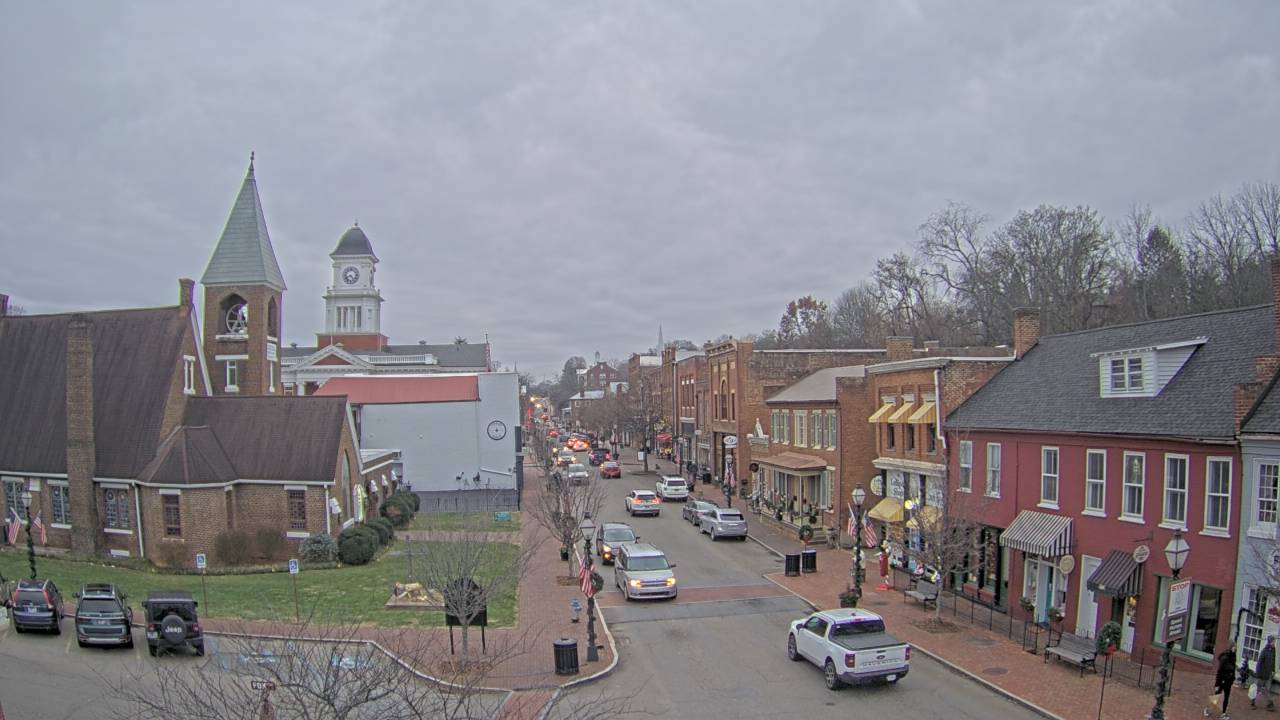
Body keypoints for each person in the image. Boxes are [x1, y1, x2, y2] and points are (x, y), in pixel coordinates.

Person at [1206, 642, 1236, 718]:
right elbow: (1219, 672)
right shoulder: (1224, 658)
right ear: (1230, 647)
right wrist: (1217, 684)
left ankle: (1223, 713)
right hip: (1222, 681)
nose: (1235, 648)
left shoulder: (1233, 656)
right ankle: (1208, 709)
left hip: (1228, 681)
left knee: (1226, 698)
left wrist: (1233, 678)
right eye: (1234, 647)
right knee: (1216, 696)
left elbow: (1233, 669)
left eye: (1235, 647)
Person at [1255, 636, 1276, 711]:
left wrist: (1273, 670)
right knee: (1257, 689)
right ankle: (1253, 702)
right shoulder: (1264, 651)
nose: (1274, 643)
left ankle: (1269, 704)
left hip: (1269, 674)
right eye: (1273, 642)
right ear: (1270, 642)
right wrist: (1257, 673)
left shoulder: (1273, 650)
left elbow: (1273, 661)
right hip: (1262, 674)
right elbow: (1259, 662)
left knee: (1267, 689)